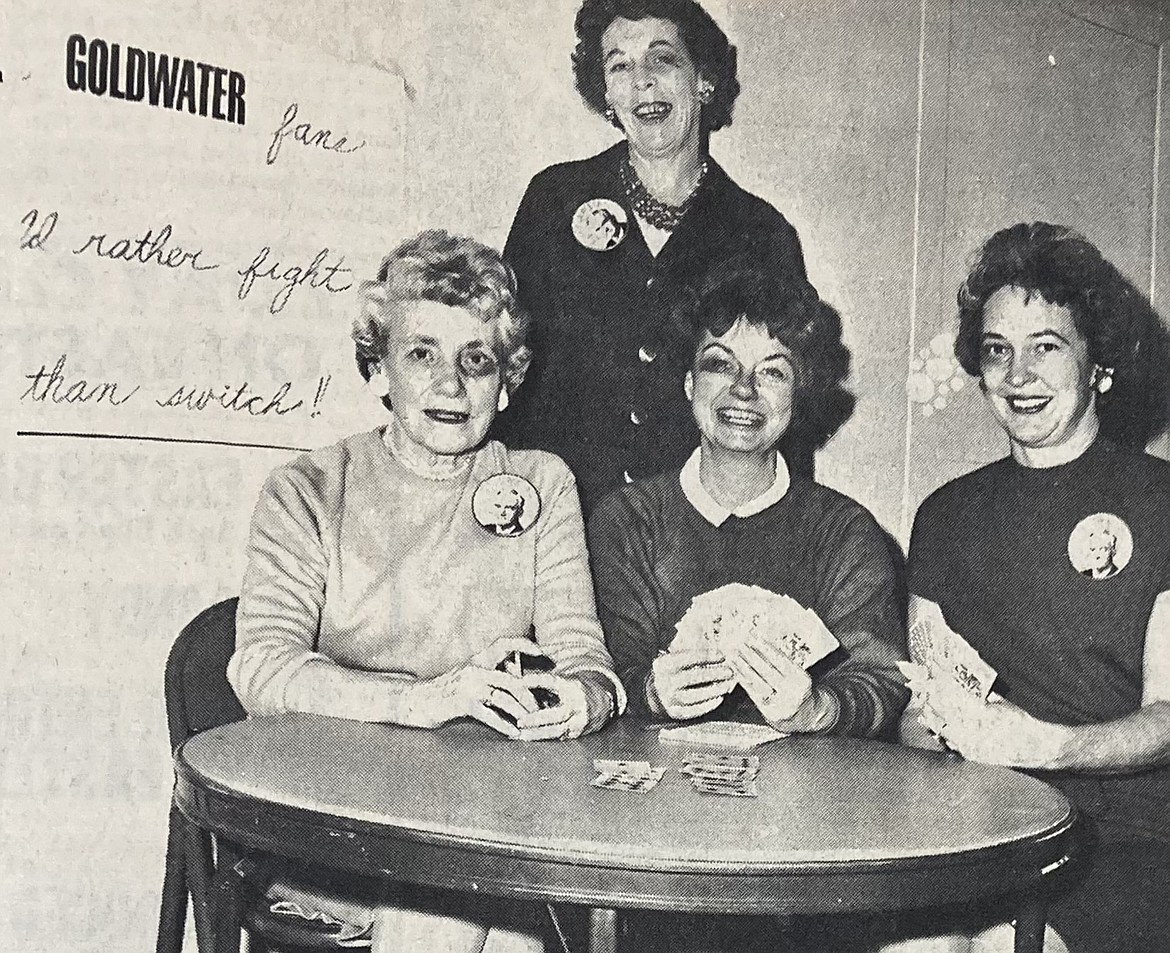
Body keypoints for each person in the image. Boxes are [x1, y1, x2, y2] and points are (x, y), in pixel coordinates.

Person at [228, 230, 626, 953]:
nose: (450, 384)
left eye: (476, 361)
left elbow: (584, 654)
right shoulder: (310, 488)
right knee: (454, 902)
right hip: (333, 824)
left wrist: (587, 695)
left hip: (487, 826)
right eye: (422, 354)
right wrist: (419, 701)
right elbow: (260, 667)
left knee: (507, 923)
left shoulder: (540, 483)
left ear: (505, 385)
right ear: (377, 369)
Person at [904, 222, 1170, 953]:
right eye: (998, 350)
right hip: (978, 828)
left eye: (1046, 346)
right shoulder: (945, 514)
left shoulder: (1161, 501)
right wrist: (938, 722)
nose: (1018, 374)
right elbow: (919, 714)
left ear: (1098, 365)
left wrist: (1046, 745)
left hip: (1123, 842)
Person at [498, 0, 809, 513]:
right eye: (619, 65)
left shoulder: (761, 233)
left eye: (662, 60)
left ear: (703, 80)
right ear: (605, 94)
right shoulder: (553, 200)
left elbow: (784, 414)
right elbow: (505, 369)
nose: (641, 80)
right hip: (555, 523)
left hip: (689, 536)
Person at [589, 266, 908, 736]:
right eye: (720, 364)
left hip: (802, 789)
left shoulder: (844, 531)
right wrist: (651, 693)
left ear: (799, 395)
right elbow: (601, 671)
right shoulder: (628, 519)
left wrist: (817, 708)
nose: (743, 389)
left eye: (773, 372)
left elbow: (884, 679)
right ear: (688, 384)